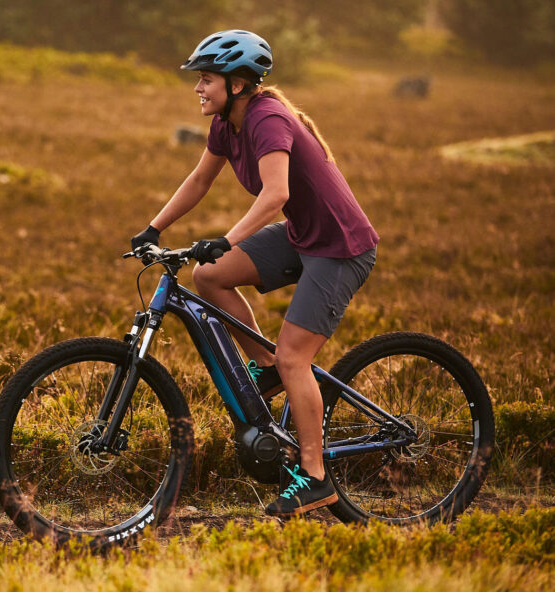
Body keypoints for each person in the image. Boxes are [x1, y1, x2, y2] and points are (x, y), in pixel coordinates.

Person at [130, 30, 379, 518]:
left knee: (295, 359)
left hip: (340, 247)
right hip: (304, 235)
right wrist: (153, 227)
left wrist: (227, 236)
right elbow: (201, 178)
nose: (198, 88)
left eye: (206, 79)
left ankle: (315, 477)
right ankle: (265, 363)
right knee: (209, 277)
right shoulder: (228, 123)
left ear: (238, 84)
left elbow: (275, 194)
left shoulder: (266, 119)